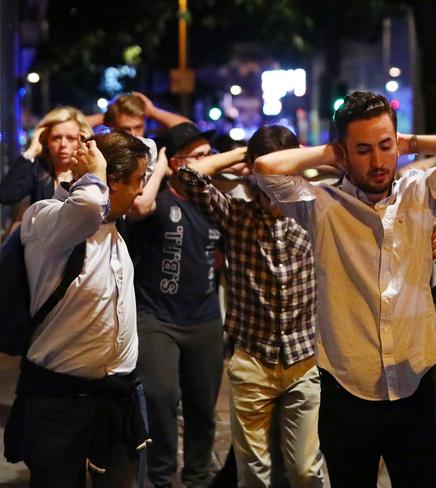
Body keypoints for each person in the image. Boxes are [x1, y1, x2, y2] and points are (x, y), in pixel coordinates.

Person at [253, 91, 436, 487]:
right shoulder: (320, 203)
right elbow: (265, 168)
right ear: (344, 154)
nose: (379, 160)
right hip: (346, 384)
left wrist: (412, 143)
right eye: (363, 150)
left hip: (414, 380)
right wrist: (327, 154)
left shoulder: (421, 191)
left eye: (386, 146)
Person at [178, 125, 324, 488]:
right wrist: (245, 156)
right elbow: (186, 175)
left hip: (305, 359)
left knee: (306, 471)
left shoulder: (318, 211)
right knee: (253, 476)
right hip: (253, 360)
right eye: (267, 172)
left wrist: (303, 158)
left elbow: (355, 173)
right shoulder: (236, 213)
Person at [13, 130, 150, 487]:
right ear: (111, 182)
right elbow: (88, 205)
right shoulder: (47, 219)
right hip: (60, 403)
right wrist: (93, 173)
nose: (140, 190)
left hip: (118, 396)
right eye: (137, 180)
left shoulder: (114, 229)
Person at [127, 121, 224, 488]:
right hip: (157, 317)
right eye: (197, 157)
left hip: (203, 318)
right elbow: (139, 207)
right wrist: (163, 161)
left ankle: (198, 476)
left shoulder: (215, 200)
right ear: (176, 163)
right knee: (161, 396)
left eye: (209, 155)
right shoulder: (158, 200)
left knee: (203, 407)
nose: (208, 163)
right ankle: (162, 476)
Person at [0, 106, 93, 231]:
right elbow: (6, 195)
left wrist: (90, 149)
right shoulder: (39, 169)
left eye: (70, 138)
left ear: (82, 139)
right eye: (56, 138)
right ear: (46, 141)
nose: (63, 145)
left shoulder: (90, 172)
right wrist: (32, 151)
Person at [86, 92, 189, 137]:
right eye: (126, 129)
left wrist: (153, 112)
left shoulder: (154, 151)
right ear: (112, 128)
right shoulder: (102, 155)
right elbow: (72, 127)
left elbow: (189, 129)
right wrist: (107, 116)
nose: (134, 134)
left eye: (138, 127)